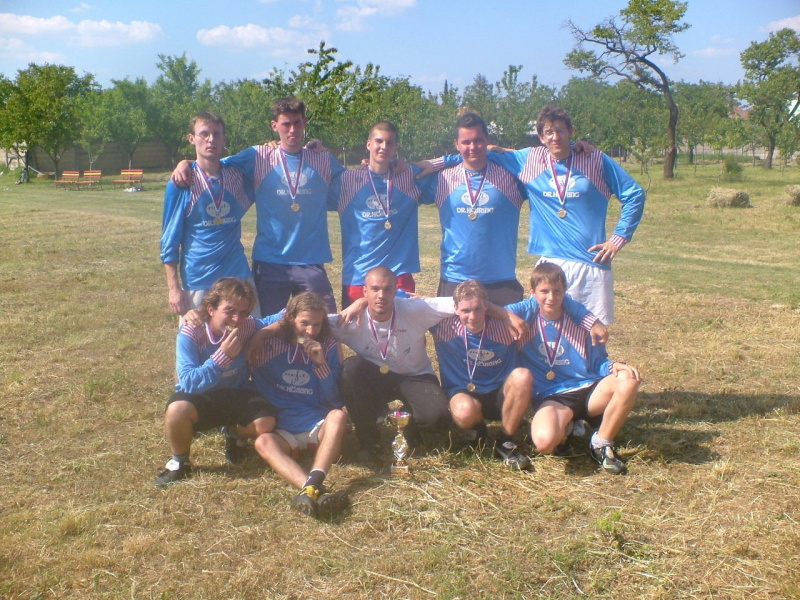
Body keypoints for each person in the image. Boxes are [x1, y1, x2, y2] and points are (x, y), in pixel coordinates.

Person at [333, 266, 523, 463]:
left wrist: (505, 314)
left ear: (395, 290)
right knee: (350, 370)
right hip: (376, 377)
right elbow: (317, 323)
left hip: (414, 376)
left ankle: (409, 424)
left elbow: (468, 301)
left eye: (388, 289)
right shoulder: (349, 320)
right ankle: (369, 442)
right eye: (374, 289)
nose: (381, 295)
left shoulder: (415, 309)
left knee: (438, 418)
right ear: (364, 291)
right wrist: (359, 303)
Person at [172, 98, 345, 314]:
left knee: (324, 323)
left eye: (297, 123)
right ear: (274, 126)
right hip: (270, 262)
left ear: (305, 123)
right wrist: (186, 163)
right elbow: (213, 161)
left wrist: (377, 165)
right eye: (286, 124)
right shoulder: (259, 156)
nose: (292, 130)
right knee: (267, 328)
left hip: (311, 261)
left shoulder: (322, 159)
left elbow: (353, 183)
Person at [485, 105, 646, 324]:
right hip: (550, 262)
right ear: (541, 137)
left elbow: (634, 194)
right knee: (546, 332)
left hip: (590, 263)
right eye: (549, 132)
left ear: (570, 132)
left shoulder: (593, 159)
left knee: (592, 334)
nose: (555, 137)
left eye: (561, 130)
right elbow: (482, 152)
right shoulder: (529, 159)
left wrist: (618, 239)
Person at [432, 279, 605, 471]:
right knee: (463, 411)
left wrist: (593, 322)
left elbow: (545, 298)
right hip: (464, 392)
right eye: (466, 310)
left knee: (522, 376)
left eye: (478, 309)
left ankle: (506, 441)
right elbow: (413, 308)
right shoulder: (443, 326)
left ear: (487, 306)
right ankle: (477, 429)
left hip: (502, 394)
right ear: (455, 309)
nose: (472, 316)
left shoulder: (506, 325)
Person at [507, 263, 640, 474]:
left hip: (589, 389)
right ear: (532, 292)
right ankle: (567, 427)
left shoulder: (582, 321)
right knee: (544, 443)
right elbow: (497, 312)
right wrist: (509, 317)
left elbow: (597, 362)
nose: (551, 297)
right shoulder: (526, 319)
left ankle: (601, 443)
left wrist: (613, 366)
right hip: (554, 396)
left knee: (628, 379)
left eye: (557, 291)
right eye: (544, 291)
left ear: (565, 291)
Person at [154, 278, 276, 487]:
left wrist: (263, 333)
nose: (237, 319)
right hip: (202, 396)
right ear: (211, 309)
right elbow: (188, 383)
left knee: (266, 423)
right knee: (177, 410)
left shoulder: (247, 325)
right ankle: (180, 462)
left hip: (236, 393)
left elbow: (284, 316)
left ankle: (232, 433)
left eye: (243, 312)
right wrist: (222, 358)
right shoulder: (191, 332)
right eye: (229, 311)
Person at [249, 292, 349, 518]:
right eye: (304, 323)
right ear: (290, 318)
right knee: (263, 442)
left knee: (338, 416)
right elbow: (244, 325)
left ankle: (312, 485)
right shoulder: (268, 345)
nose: (311, 331)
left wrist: (321, 365)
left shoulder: (329, 345)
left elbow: (335, 401)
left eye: (317, 324)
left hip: (317, 426)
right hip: (283, 430)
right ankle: (312, 489)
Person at [418, 112, 527, 306]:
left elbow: (540, 159)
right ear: (456, 144)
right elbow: (402, 174)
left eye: (478, 141)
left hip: (501, 281)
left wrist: (574, 146)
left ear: (487, 140)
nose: (472, 147)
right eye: (466, 142)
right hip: (455, 278)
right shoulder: (442, 179)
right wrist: (368, 166)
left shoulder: (511, 177)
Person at [160, 112, 257, 317]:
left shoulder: (236, 174)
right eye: (204, 134)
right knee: (198, 334)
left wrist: (311, 149)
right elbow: (170, 240)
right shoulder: (181, 182)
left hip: (237, 274)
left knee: (251, 331)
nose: (210, 139)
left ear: (224, 139)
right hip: (199, 277)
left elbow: (274, 156)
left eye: (216, 134)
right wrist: (173, 288)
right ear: (192, 138)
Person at [336, 121, 424, 307]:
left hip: (398, 276)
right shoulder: (348, 180)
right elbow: (314, 168)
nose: (384, 146)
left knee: (401, 325)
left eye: (389, 142)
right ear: (368, 144)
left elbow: (461, 159)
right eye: (378, 141)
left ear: (395, 148)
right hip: (358, 276)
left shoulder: (407, 176)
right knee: (356, 326)